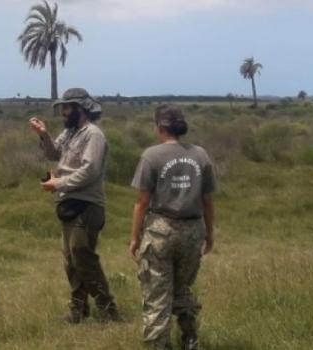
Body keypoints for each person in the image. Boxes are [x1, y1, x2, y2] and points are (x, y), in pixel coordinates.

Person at [29, 88, 120, 324]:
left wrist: (58, 182)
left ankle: (108, 310)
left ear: (80, 109)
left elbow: (90, 171)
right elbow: (53, 154)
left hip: (87, 204)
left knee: (84, 258)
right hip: (68, 202)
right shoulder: (69, 133)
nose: (63, 112)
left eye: (67, 108)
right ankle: (78, 311)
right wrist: (44, 134)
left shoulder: (93, 135)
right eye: (62, 108)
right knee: (71, 261)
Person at [129, 104, 216, 350]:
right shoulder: (200, 154)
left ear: (160, 126)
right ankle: (190, 338)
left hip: (160, 232)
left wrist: (134, 237)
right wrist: (209, 234)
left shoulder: (151, 156)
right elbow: (208, 201)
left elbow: (142, 202)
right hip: (192, 231)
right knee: (182, 288)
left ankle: (159, 345)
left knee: (157, 294)